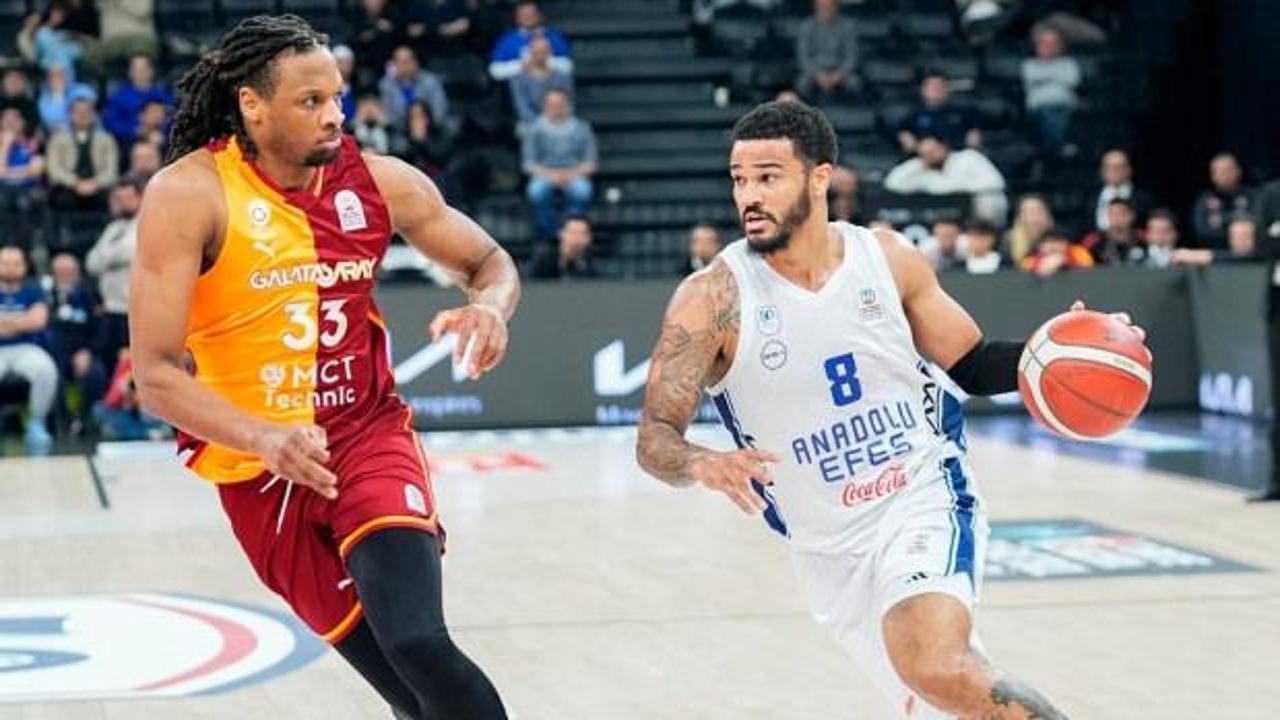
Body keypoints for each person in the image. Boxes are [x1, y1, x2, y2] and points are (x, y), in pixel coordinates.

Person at [635, 100, 1138, 719]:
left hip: (920, 495)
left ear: (819, 178)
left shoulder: (886, 258)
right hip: (827, 550)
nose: (750, 196)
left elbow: (972, 363)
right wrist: (699, 463)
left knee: (934, 664)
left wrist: (1057, 351)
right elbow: (655, 435)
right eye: (740, 179)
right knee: (949, 698)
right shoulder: (712, 299)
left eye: (768, 177)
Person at [129, 15, 517, 719]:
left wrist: (490, 306)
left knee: (419, 642)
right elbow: (154, 376)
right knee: (409, 694)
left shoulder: (380, 181)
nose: (334, 114)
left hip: (366, 434)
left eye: (336, 96)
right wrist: (264, 436)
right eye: (311, 101)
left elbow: (489, 261)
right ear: (252, 104)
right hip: (258, 472)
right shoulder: (189, 195)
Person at [0, 245, 57, 454]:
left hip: (27, 348)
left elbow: (37, 322)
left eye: (15, 263)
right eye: (5, 263)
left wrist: (5, 322)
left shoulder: (34, 292)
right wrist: (22, 320)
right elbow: (29, 320)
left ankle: (37, 423)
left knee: (45, 370)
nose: (10, 267)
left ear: (24, 266)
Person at [522, 88, 596, 242]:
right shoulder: (534, 129)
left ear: (568, 105)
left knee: (581, 191)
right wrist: (552, 176)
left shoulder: (582, 129)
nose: (555, 109)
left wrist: (570, 175)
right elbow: (529, 164)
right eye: (551, 105)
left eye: (559, 105)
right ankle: (551, 233)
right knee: (536, 192)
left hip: (574, 174)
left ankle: (573, 230)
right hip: (545, 175)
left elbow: (590, 163)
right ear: (544, 106)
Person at [883, 134, 1007, 226]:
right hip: (945, 217)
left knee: (989, 198)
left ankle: (988, 233)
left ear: (943, 147)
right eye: (925, 154)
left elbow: (996, 182)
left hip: (975, 209)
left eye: (933, 151)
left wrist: (960, 189)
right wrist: (918, 163)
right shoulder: (924, 173)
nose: (930, 156)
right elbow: (892, 183)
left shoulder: (968, 157)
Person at [85, 173, 143, 370]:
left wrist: (107, 256)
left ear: (140, 197)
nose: (123, 203)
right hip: (110, 308)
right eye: (119, 198)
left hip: (133, 309)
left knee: (132, 365)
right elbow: (91, 263)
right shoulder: (113, 228)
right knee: (109, 362)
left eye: (128, 198)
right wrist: (111, 257)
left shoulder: (146, 223)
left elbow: (129, 250)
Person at [46, 251, 107, 432]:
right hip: (55, 354)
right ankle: (63, 423)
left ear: (77, 273)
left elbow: (100, 329)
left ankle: (87, 418)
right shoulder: (45, 296)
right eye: (60, 272)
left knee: (96, 374)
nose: (65, 276)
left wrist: (88, 351)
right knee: (51, 377)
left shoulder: (89, 295)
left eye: (69, 272)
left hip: (84, 350)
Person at [1021, 26, 1080, 156]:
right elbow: (1031, 79)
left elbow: (1072, 81)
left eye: (1053, 43)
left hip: (1065, 107)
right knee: (1049, 114)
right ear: (1038, 46)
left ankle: (1050, 151)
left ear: (1060, 46)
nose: (1049, 47)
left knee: (1056, 115)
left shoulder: (1069, 63)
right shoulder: (1029, 64)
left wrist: (1044, 79)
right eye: (1045, 43)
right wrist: (1057, 78)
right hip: (1038, 109)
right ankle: (1058, 148)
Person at [897, 73, 981, 155]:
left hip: (957, 155)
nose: (936, 89)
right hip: (923, 157)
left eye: (940, 86)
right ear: (922, 90)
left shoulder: (964, 112)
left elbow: (976, 132)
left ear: (948, 89)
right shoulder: (912, 115)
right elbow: (905, 137)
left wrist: (974, 136)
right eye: (931, 86)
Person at [488, 1, 572, 82]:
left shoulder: (553, 37)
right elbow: (495, 71)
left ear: (540, 15)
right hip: (517, 88)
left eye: (531, 14)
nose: (527, 18)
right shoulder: (508, 40)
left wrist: (543, 62)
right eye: (523, 15)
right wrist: (522, 64)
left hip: (552, 86)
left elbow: (568, 67)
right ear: (516, 18)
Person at [795, 0, 859, 102]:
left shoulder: (848, 27)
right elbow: (804, 57)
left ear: (836, 7)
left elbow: (851, 57)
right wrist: (817, 75)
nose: (826, 9)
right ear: (816, 7)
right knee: (802, 84)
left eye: (829, 6)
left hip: (839, 70)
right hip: (815, 70)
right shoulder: (806, 26)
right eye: (822, 6)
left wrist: (838, 75)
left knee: (855, 83)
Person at [1190, 152, 1253, 251]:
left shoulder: (1253, 195)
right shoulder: (1204, 199)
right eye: (1220, 172)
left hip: (1250, 252)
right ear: (1212, 175)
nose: (1225, 175)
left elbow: (1260, 224)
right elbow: (1201, 231)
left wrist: (1223, 222)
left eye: (1228, 170)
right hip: (1215, 251)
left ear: (1238, 171)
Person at [1093, 149, 1152, 231]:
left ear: (1129, 169)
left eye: (1118, 167)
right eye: (1108, 167)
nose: (1113, 171)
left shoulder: (1144, 199)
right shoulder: (1090, 197)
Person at [524, 214, 597, 280]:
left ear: (590, 238)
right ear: (560, 234)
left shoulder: (593, 262)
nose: (577, 238)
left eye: (582, 234)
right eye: (572, 233)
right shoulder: (543, 259)